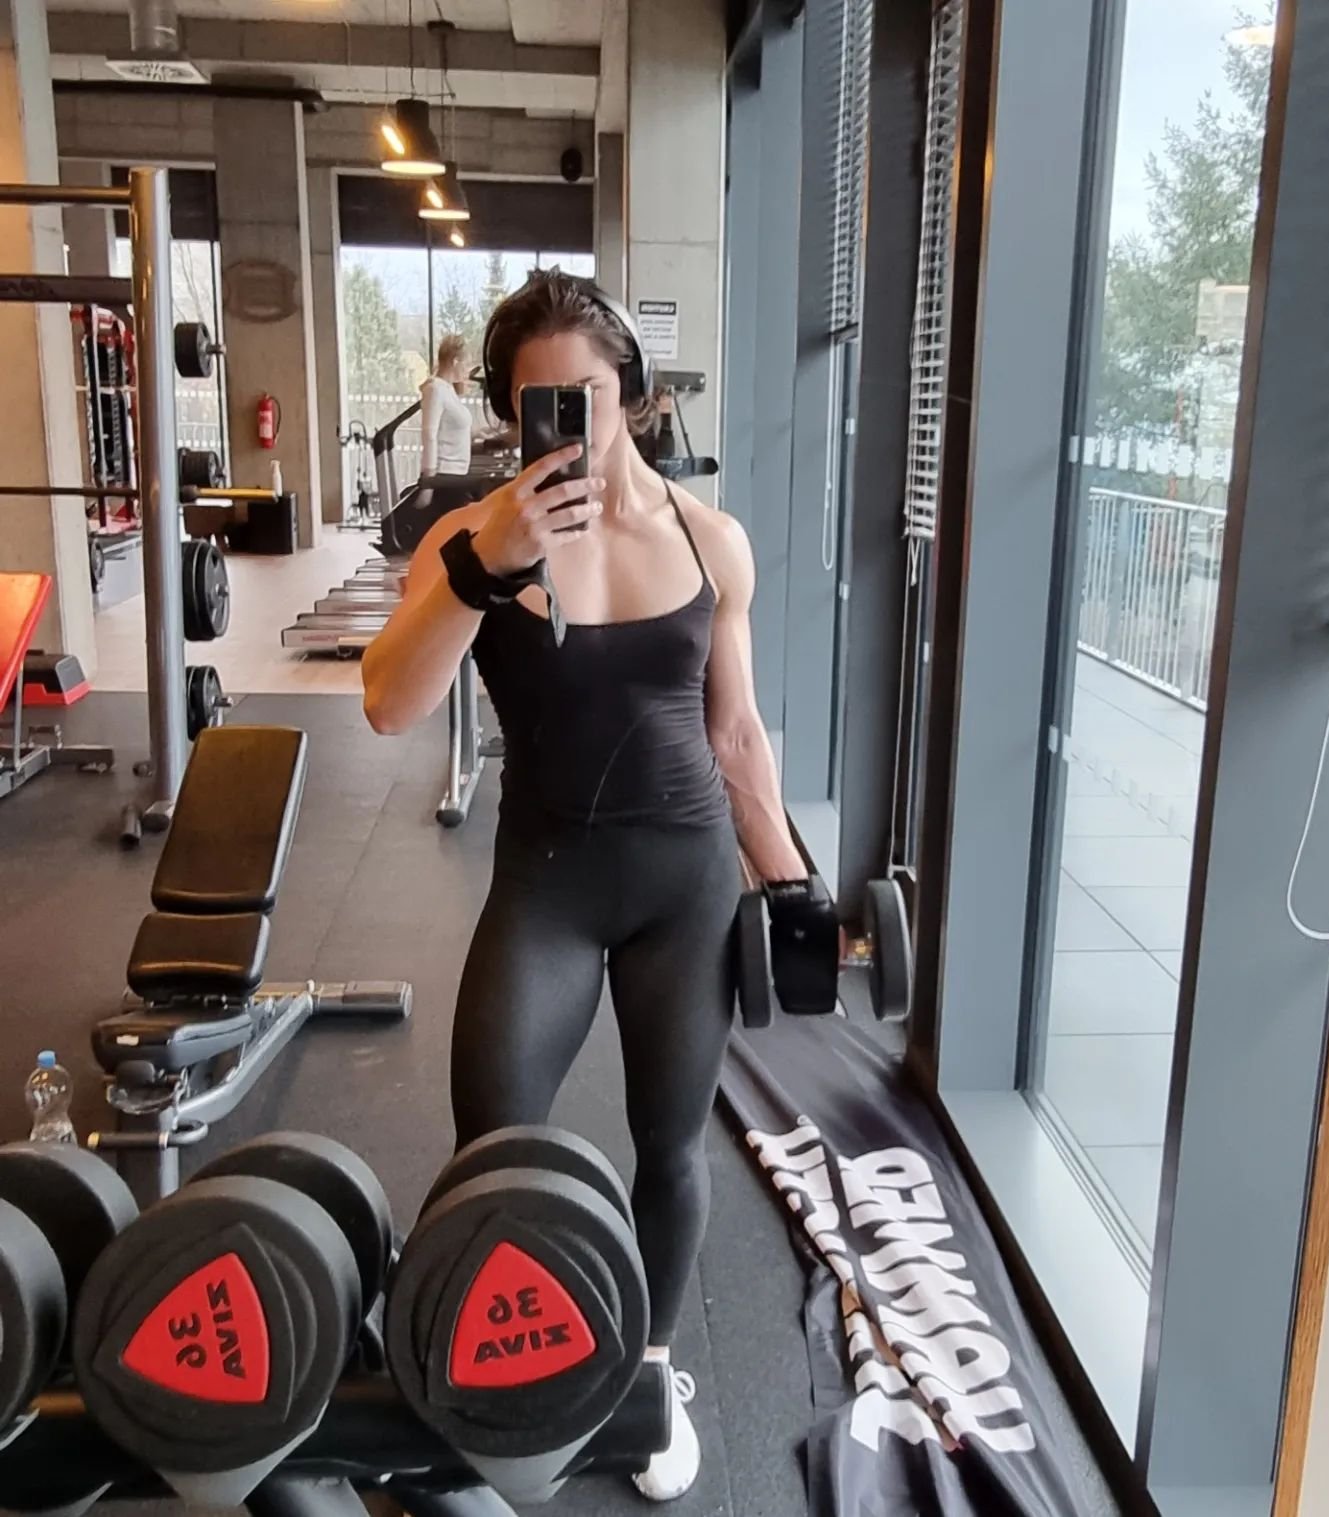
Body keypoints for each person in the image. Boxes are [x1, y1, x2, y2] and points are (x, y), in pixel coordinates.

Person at [361, 271, 809, 1502]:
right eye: (540, 403)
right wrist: (483, 569)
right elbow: (389, 703)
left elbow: (736, 735)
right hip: (548, 883)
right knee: (493, 1140)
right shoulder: (469, 539)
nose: (570, 424)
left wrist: (790, 883)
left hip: (684, 882)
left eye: (590, 397)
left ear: (636, 396)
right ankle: (501, 1370)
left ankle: (649, 1375)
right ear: (510, 412)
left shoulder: (711, 540)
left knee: (671, 1143)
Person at [419, 332, 475, 478]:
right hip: (443, 473)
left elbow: (452, 431)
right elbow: (429, 435)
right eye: (466, 364)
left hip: (457, 474)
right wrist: (429, 479)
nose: (467, 370)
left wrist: (478, 434)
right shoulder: (435, 389)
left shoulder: (448, 390)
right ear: (455, 362)